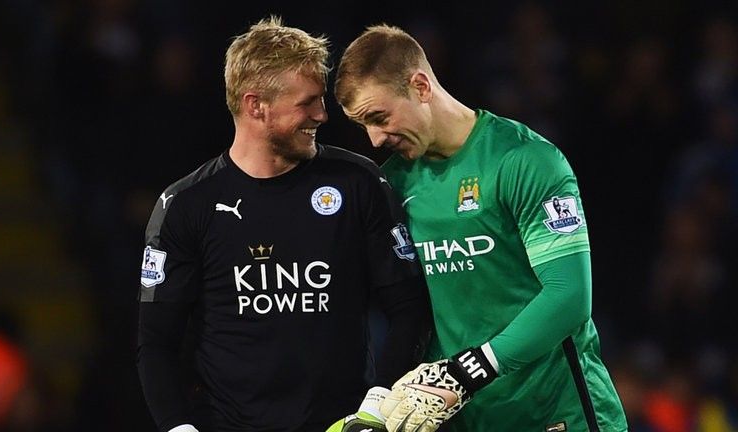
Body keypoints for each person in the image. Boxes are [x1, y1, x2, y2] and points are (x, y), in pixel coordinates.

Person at [136, 17, 431, 432]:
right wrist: (179, 428)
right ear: (256, 105)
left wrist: (376, 407)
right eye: (306, 103)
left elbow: (408, 308)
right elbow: (156, 343)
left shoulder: (358, 182)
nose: (322, 115)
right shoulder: (185, 206)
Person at [334, 24, 628, 432]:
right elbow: (407, 310)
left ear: (420, 86)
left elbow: (570, 295)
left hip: (558, 414)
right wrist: (379, 402)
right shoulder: (393, 185)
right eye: (362, 124)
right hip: (468, 419)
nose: (374, 138)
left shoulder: (525, 161)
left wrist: (470, 370)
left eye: (379, 118)